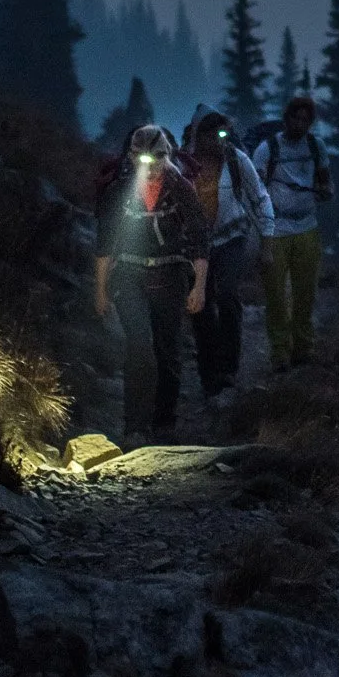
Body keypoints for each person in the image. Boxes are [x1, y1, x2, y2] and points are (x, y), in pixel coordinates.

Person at [93, 125, 210, 442]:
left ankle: (164, 422)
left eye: (159, 157)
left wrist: (199, 286)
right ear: (132, 156)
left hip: (170, 275)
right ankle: (135, 426)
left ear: (168, 155)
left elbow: (200, 238)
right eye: (145, 157)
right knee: (139, 343)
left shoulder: (181, 188)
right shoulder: (120, 191)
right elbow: (105, 242)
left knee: (168, 348)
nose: (153, 165)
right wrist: (101, 290)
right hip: (129, 275)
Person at [180, 104, 274, 406]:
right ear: (200, 135)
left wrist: (268, 242)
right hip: (197, 245)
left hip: (232, 238)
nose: (219, 141)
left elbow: (260, 198)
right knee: (200, 305)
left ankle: (230, 369)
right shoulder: (183, 165)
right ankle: (210, 375)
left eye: (224, 133)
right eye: (213, 134)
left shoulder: (237, 160)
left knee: (228, 294)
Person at [249, 92, 333, 369]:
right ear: (286, 119)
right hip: (276, 229)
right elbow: (256, 187)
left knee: (305, 293)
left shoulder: (316, 147)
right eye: (295, 118)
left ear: (310, 123)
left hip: (307, 226)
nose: (299, 124)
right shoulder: (267, 149)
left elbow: (326, 183)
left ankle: (303, 348)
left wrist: (324, 191)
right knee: (275, 294)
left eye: (305, 120)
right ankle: (280, 352)